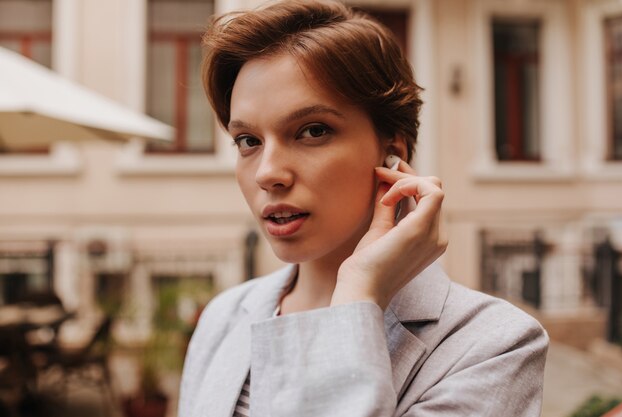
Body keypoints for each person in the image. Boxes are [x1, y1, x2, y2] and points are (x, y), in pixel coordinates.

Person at [179, 1, 549, 416]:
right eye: (248, 140)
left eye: (312, 131)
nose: (268, 173)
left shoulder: (492, 346)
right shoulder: (224, 316)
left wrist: (358, 295)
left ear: (392, 153)